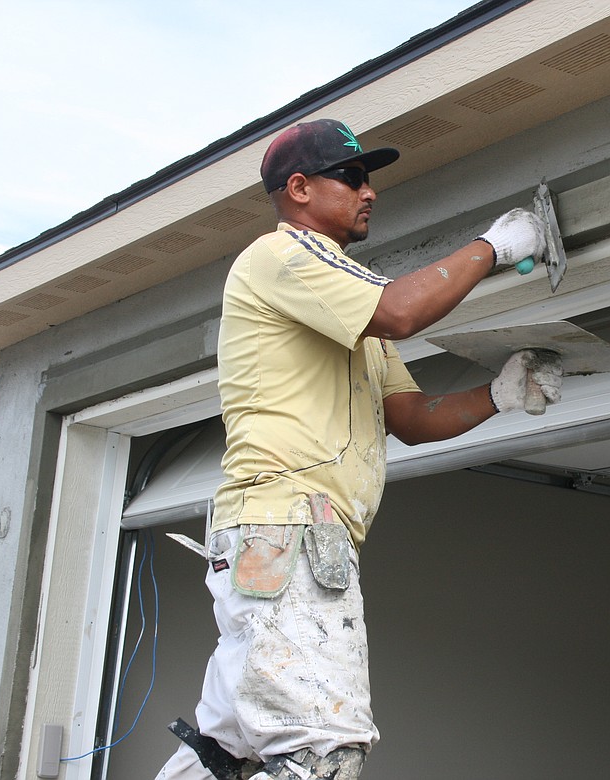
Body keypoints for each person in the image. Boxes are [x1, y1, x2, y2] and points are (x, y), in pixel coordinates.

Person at [156, 118, 562, 780]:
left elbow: (408, 416)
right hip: (288, 534)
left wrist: (500, 394)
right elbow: (400, 310)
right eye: (350, 177)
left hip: (278, 546)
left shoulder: (347, 299)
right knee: (324, 752)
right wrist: (492, 247)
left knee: (222, 754)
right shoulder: (281, 257)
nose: (368, 190)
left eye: (369, 178)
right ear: (298, 189)